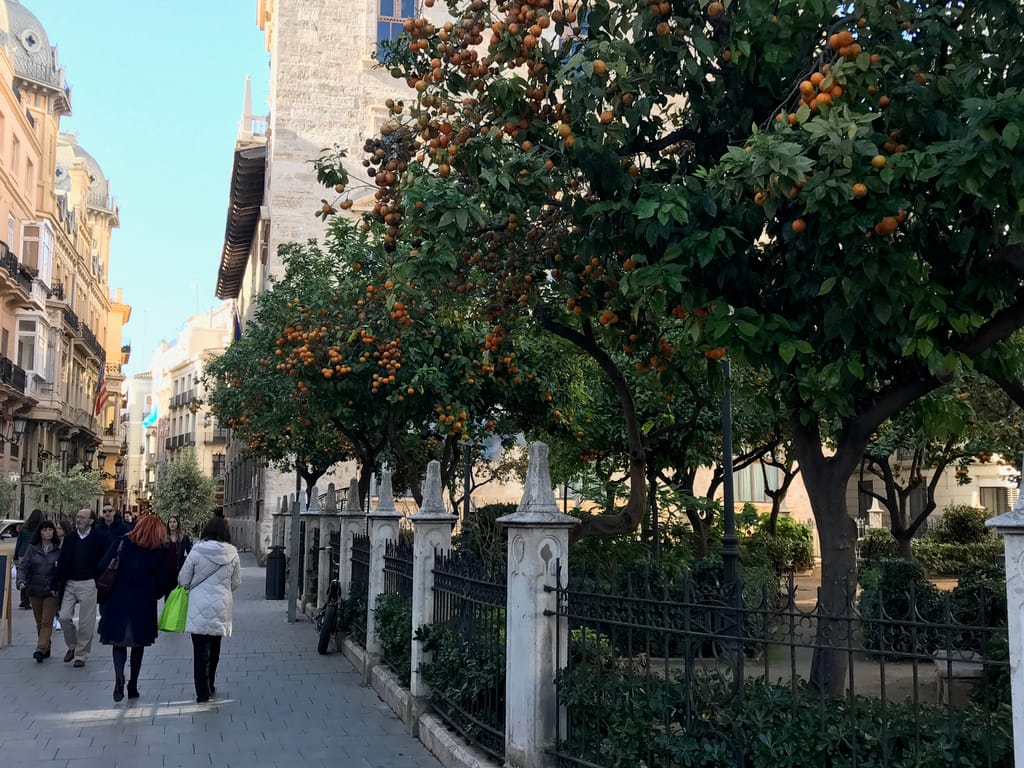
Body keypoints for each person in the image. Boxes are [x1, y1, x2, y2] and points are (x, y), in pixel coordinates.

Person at [97, 515, 169, 702]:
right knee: (138, 645)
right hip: (143, 603)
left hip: (118, 599)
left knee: (118, 642)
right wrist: (155, 593)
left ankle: (118, 676)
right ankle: (133, 683)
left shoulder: (121, 543)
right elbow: (162, 582)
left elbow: (102, 566)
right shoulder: (159, 551)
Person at [179, 517, 241, 703]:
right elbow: (236, 582)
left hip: (199, 604)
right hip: (221, 604)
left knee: (200, 650)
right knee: (215, 647)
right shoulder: (232, 554)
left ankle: (202, 692)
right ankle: (211, 682)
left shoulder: (196, 551)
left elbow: (183, 579)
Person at [55, 508, 109, 667]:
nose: (78, 520)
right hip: (70, 582)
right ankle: (72, 646)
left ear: (91, 521)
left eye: (82, 517)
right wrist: (58, 581)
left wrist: (97, 579)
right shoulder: (70, 538)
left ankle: (81, 654)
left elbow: (105, 560)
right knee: (64, 617)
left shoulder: (99, 538)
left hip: (88, 582)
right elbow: (63, 560)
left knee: (86, 622)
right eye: (77, 517)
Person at [15, 520, 61, 662]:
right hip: (34, 589)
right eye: (44, 530)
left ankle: (40, 648)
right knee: (39, 622)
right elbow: (23, 567)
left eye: (50, 530)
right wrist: (21, 581)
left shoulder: (59, 549)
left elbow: (63, 570)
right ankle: (46, 646)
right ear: (40, 533)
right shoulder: (33, 549)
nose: (48, 532)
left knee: (47, 621)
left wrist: (60, 586)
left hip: (51, 591)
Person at [14, 509, 43, 609]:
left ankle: (23, 600)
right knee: (31, 578)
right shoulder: (40, 529)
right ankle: (28, 599)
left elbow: (19, 543)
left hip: (22, 553)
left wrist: (16, 555)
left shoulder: (24, 528)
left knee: (23, 578)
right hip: (34, 554)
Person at [165, 515, 192, 587]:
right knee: (168, 594)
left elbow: (190, 553)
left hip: (179, 570)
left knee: (177, 594)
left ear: (178, 524)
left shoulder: (184, 538)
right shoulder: (164, 538)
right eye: (170, 522)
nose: (172, 524)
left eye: (174, 522)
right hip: (166, 570)